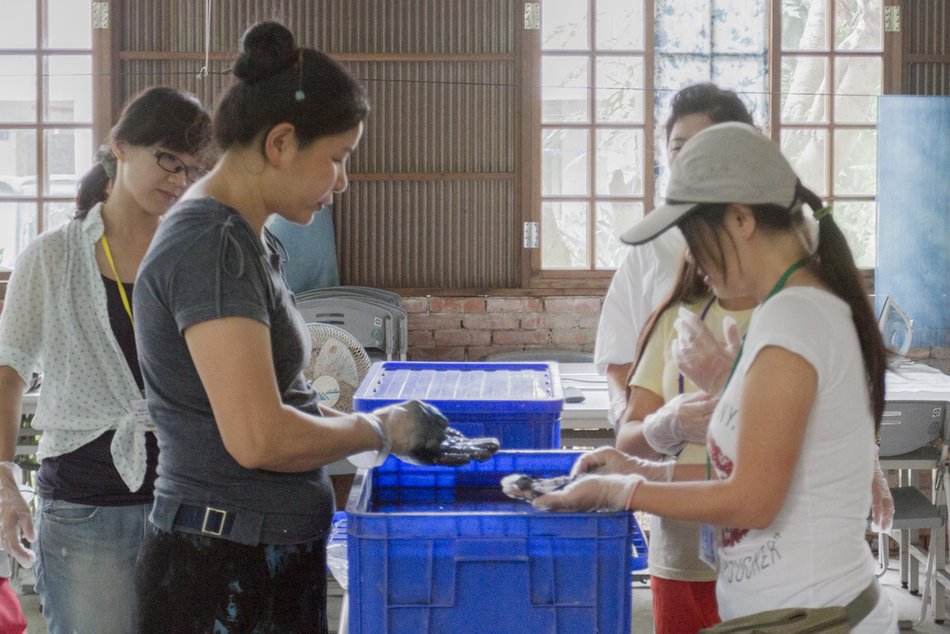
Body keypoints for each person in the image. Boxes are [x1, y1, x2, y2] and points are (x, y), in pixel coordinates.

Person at [131, 22, 485, 632]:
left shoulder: (247, 239)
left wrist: (374, 427)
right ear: (281, 142)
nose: (342, 182)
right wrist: (381, 429)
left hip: (255, 553)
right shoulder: (212, 245)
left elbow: (280, 404)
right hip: (220, 570)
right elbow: (259, 437)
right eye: (338, 159)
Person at [530, 122, 898, 631]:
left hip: (817, 617)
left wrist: (623, 492)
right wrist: (640, 469)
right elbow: (758, 474)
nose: (696, 263)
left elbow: (753, 500)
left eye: (697, 240)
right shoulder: (788, 311)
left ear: (742, 218)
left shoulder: (796, 320)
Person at [0, 86, 213, 633]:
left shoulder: (192, 257)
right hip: (84, 510)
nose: (180, 179)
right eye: (168, 159)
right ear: (119, 147)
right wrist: (4, 481)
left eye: (192, 169)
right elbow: (8, 371)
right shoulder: (52, 256)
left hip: (188, 506)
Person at [594, 84, 755, 431]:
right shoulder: (651, 245)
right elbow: (619, 356)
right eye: (678, 147)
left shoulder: (777, 250)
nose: (688, 159)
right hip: (674, 461)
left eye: (704, 146)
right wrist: (644, 425)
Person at [616, 256, 755, 633]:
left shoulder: (788, 319)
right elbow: (627, 439)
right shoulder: (675, 321)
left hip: (766, 547)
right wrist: (663, 426)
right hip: (684, 544)